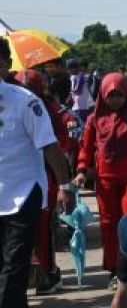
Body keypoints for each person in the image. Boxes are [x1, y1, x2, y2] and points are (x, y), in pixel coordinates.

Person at [0, 41, 71, 308]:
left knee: (15, 263)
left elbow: (50, 147)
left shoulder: (26, 103)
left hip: (23, 193)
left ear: (4, 65)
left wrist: (66, 187)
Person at [74, 73, 127, 284]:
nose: (115, 100)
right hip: (104, 180)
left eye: (120, 94)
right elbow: (85, 147)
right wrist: (82, 170)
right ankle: (114, 269)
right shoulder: (94, 119)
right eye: (111, 95)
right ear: (102, 94)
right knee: (108, 224)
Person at [16, 69, 76, 295]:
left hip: (44, 180)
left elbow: (60, 145)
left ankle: (47, 274)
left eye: (30, 87)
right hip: (17, 180)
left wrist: (63, 185)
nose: (25, 91)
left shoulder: (44, 111)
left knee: (42, 231)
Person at [70, 58, 96, 123]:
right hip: (86, 104)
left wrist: (72, 91)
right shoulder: (77, 77)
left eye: (78, 67)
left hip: (82, 106)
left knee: (83, 125)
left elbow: (78, 91)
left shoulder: (81, 77)